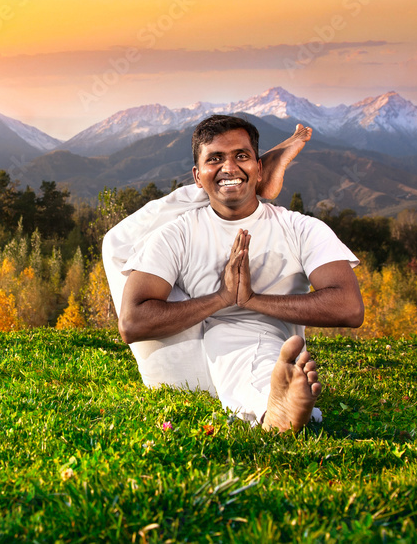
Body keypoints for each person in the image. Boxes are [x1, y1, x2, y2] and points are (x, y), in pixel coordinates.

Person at [102, 116, 363, 432]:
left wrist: (252, 300)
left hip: (259, 346)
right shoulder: (177, 233)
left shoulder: (302, 228)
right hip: (177, 357)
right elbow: (131, 324)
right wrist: (222, 298)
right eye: (215, 159)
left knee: (240, 332)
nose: (228, 166)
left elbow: (348, 308)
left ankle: (275, 406)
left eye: (242, 156)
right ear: (196, 176)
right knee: (117, 242)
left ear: (259, 169)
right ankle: (273, 400)